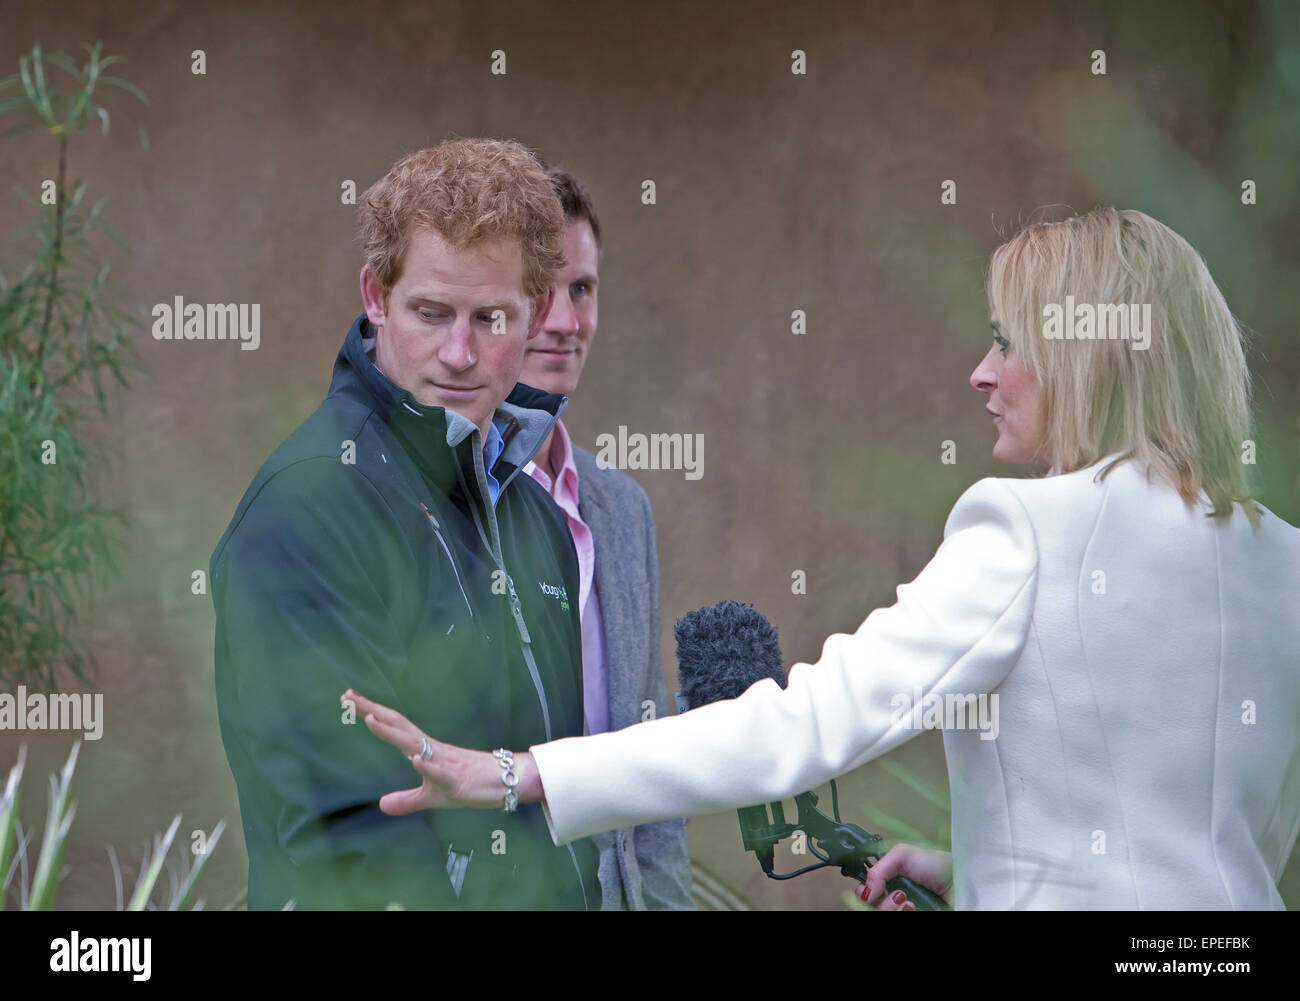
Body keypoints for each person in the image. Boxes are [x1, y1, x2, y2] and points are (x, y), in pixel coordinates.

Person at [343, 207, 1300, 910]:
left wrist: (518, 775)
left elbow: (804, 727)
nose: (982, 370)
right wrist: (977, 873)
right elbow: (1212, 852)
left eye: (1009, 342)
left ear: (1091, 359)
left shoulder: (1028, 530)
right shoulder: (1283, 561)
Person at [212, 138, 599, 909]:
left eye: (490, 316)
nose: (459, 352)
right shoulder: (313, 501)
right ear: (376, 296)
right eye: (430, 312)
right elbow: (356, 844)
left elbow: (551, 803)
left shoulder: (534, 513)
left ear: (536, 312)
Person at [515, 162, 695, 909]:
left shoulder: (622, 509)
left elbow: (649, 770)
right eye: (538, 290)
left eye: (582, 289)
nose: (564, 320)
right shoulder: (431, 497)